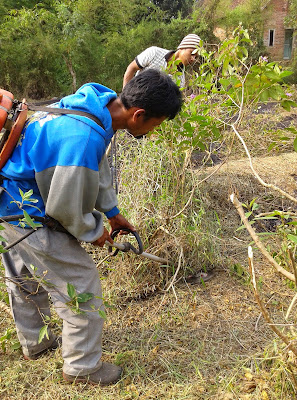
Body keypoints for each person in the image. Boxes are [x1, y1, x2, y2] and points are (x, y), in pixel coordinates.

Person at [0, 69, 182, 386]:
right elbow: (65, 208)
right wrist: (95, 232)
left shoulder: (93, 106)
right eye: (157, 123)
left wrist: (112, 213)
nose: (154, 131)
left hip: (7, 202)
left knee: (25, 279)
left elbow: (94, 168)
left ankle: (36, 343)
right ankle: (82, 368)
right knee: (81, 284)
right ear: (139, 115)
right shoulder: (83, 136)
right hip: (28, 214)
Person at [123, 33, 201, 89]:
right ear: (182, 47)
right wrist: (124, 98)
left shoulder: (181, 80)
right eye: (191, 53)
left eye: (196, 57)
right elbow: (131, 68)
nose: (193, 59)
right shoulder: (154, 53)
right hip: (133, 96)